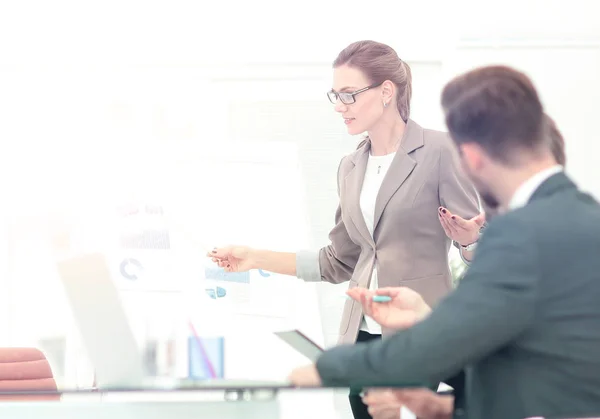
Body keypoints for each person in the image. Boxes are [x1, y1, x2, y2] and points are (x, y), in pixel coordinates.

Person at [289, 65, 600, 419]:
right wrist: (432, 392)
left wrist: (332, 365)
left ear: (472, 157)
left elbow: (461, 344)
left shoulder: (519, 234)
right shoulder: (587, 220)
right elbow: (519, 366)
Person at [209, 40, 480, 419]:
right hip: (361, 338)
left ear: (386, 92)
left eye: (349, 95)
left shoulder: (439, 151)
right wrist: (255, 258)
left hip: (418, 336)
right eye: (336, 95)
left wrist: (469, 244)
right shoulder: (350, 167)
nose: (339, 106)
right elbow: (338, 261)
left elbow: (477, 245)